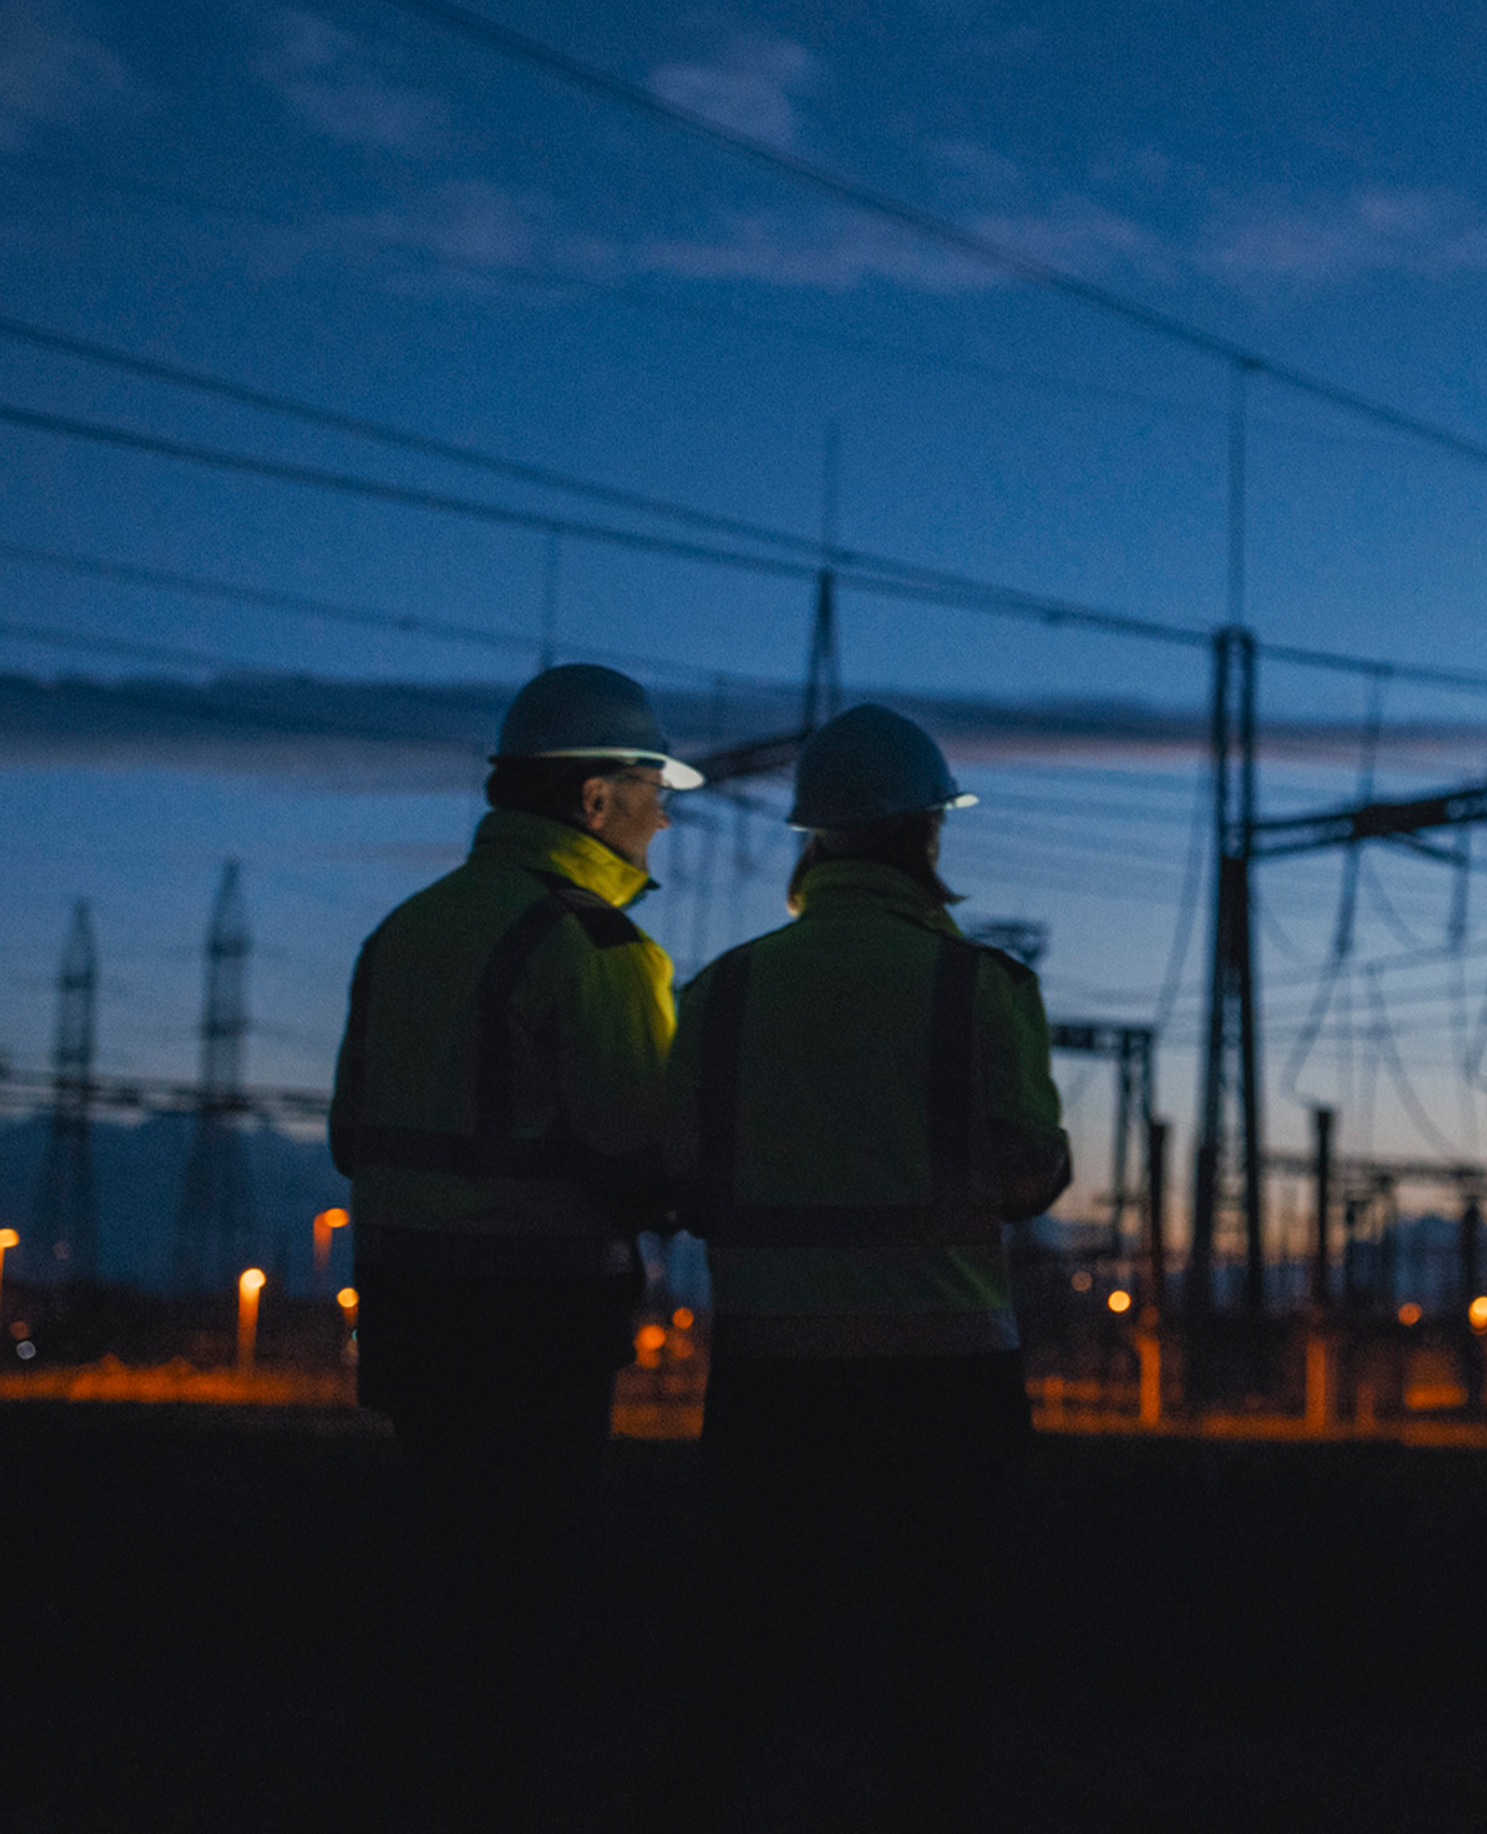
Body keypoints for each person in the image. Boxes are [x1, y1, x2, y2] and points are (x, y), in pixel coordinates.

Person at [645, 702, 1071, 1834]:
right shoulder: (980, 986)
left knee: (752, 1634)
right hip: (944, 1375)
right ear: (926, 836)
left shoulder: (721, 992)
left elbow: (676, 1176)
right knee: (939, 1646)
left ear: (811, 840)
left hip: (772, 1368)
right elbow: (1031, 1172)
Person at [327, 662, 702, 1830]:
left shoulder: (404, 932)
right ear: (594, 801)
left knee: (443, 1560)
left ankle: (386, 1784)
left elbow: (350, 1133)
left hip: (402, 1299)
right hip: (535, 1314)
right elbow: (643, 1154)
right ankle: (494, 1795)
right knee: (527, 1586)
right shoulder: (593, 947)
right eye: (651, 788)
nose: (666, 813)